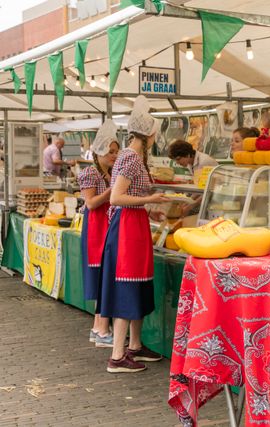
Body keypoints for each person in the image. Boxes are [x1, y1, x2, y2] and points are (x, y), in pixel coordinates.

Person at [100, 96, 170, 373]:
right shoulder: (130, 159)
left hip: (135, 224)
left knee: (138, 283)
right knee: (127, 284)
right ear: (149, 133)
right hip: (126, 230)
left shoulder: (133, 157)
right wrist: (151, 198)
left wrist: (149, 210)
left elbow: (130, 196)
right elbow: (117, 198)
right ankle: (117, 356)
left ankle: (135, 347)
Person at [78, 120, 120, 348]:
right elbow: (91, 203)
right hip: (97, 230)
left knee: (106, 279)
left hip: (108, 227)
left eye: (116, 151)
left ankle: (99, 328)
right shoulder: (90, 173)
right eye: (110, 152)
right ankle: (102, 329)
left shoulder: (112, 173)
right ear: (100, 152)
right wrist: (112, 193)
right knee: (104, 280)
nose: (114, 155)